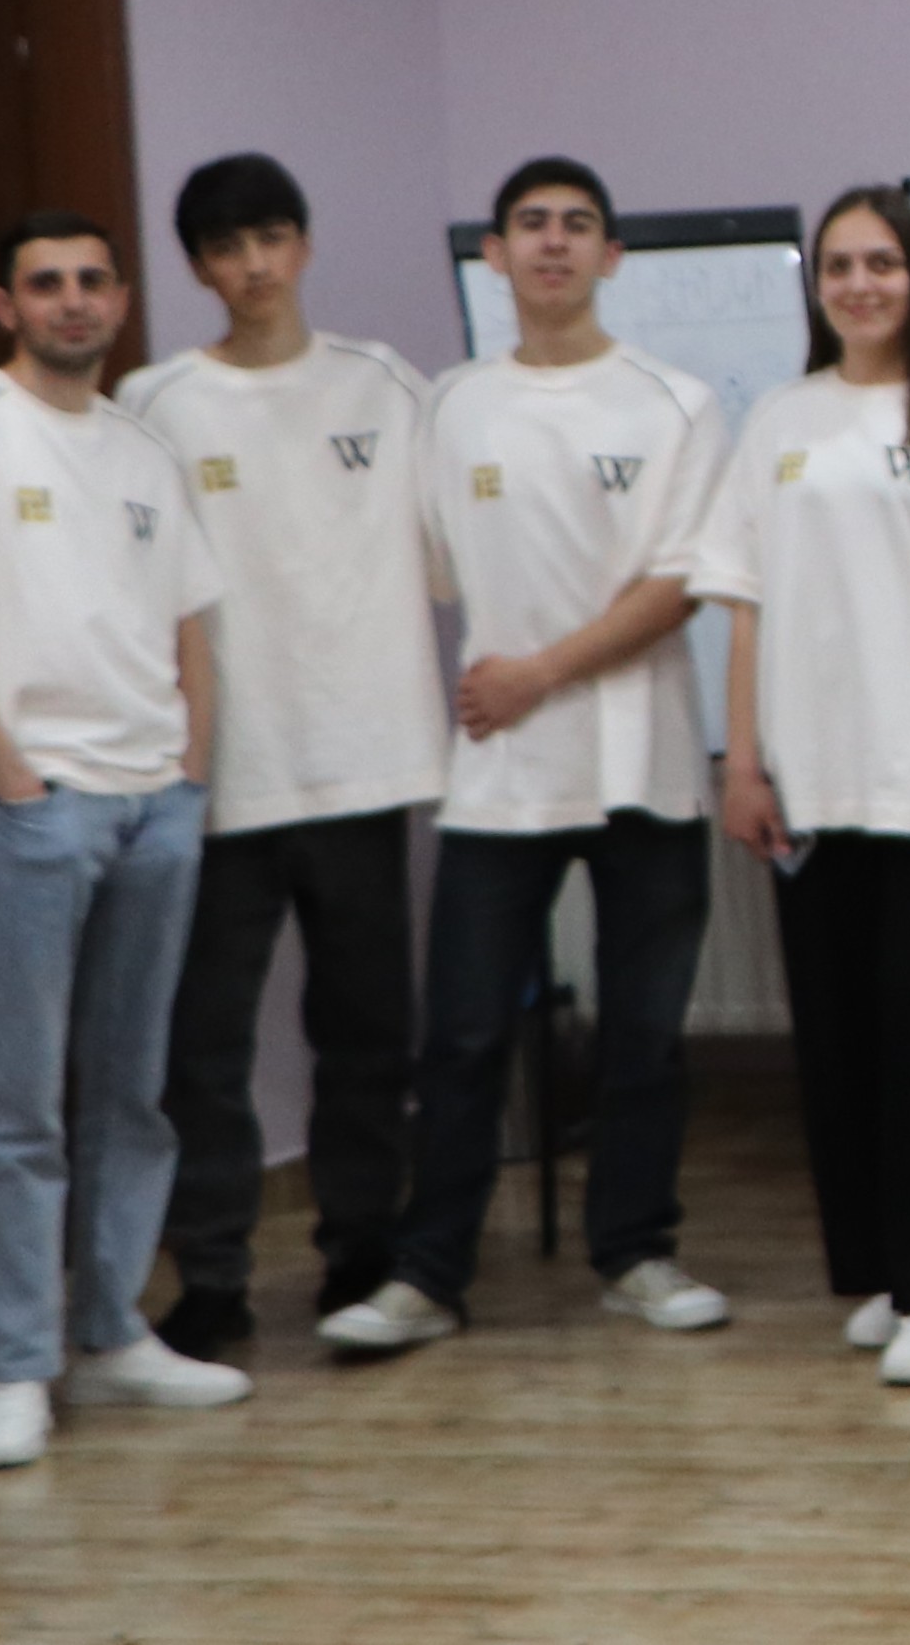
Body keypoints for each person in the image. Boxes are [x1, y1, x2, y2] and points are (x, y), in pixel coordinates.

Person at [333, 158, 735, 1357]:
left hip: (642, 764)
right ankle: (427, 1273)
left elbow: (678, 584)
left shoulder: (676, 402)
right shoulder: (451, 404)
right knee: (463, 1033)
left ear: (612, 255)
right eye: (531, 224)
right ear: (496, 254)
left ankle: (637, 1252)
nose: (553, 242)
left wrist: (539, 671)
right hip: (499, 774)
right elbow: (426, 570)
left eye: (577, 224)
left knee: (643, 1034)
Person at [0, 211, 251, 1468]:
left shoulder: (144, 447)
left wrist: (188, 775)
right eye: (46, 283)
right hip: (34, 813)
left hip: (156, 804)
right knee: (23, 1105)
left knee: (133, 1092)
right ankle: (15, 1365)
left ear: (122, 298)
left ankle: (111, 1326)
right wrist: (15, 782)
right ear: (6, 304)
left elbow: (191, 622)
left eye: (94, 279)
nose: (74, 300)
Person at [697, 187, 910, 1389]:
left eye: (881, 261)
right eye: (838, 264)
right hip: (812, 785)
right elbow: (743, 603)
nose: (859, 283)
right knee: (840, 1045)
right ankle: (889, 1270)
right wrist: (743, 761)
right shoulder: (779, 418)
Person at [124, 153, 436, 1368]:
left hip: (364, 757)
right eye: (226, 247)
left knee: (367, 1032)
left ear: (302, 243)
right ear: (198, 266)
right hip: (218, 773)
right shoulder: (156, 402)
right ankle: (212, 1275)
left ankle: (362, 1246)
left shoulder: (386, 384)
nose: (253, 265)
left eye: (270, 238)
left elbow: (459, 543)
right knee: (203, 1045)